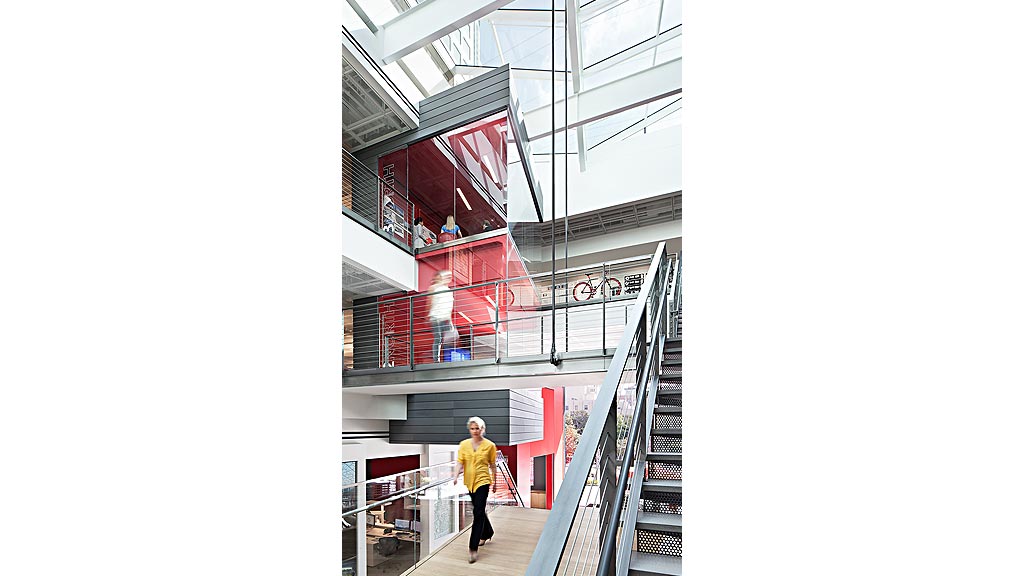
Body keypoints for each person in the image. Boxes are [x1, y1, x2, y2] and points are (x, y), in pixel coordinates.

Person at [454, 416, 496, 563]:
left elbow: (492, 465)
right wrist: (455, 475)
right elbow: (460, 461)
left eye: (477, 428)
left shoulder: (490, 446)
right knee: (479, 510)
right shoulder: (464, 444)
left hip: (483, 481)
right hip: (469, 482)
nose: (475, 431)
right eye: (472, 428)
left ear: (482, 429)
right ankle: (488, 532)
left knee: (477, 513)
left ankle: (473, 548)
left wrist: (495, 481)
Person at [428, 270, 454, 363]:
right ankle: (436, 360)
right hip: (436, 317)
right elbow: (430, 302)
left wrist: (450, 321)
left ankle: (444, 358)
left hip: (444, 318)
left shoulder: (448, 290)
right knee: (438, 337)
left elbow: (448, 307)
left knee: (448, 337)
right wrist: (427, 315)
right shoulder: (435, 288)